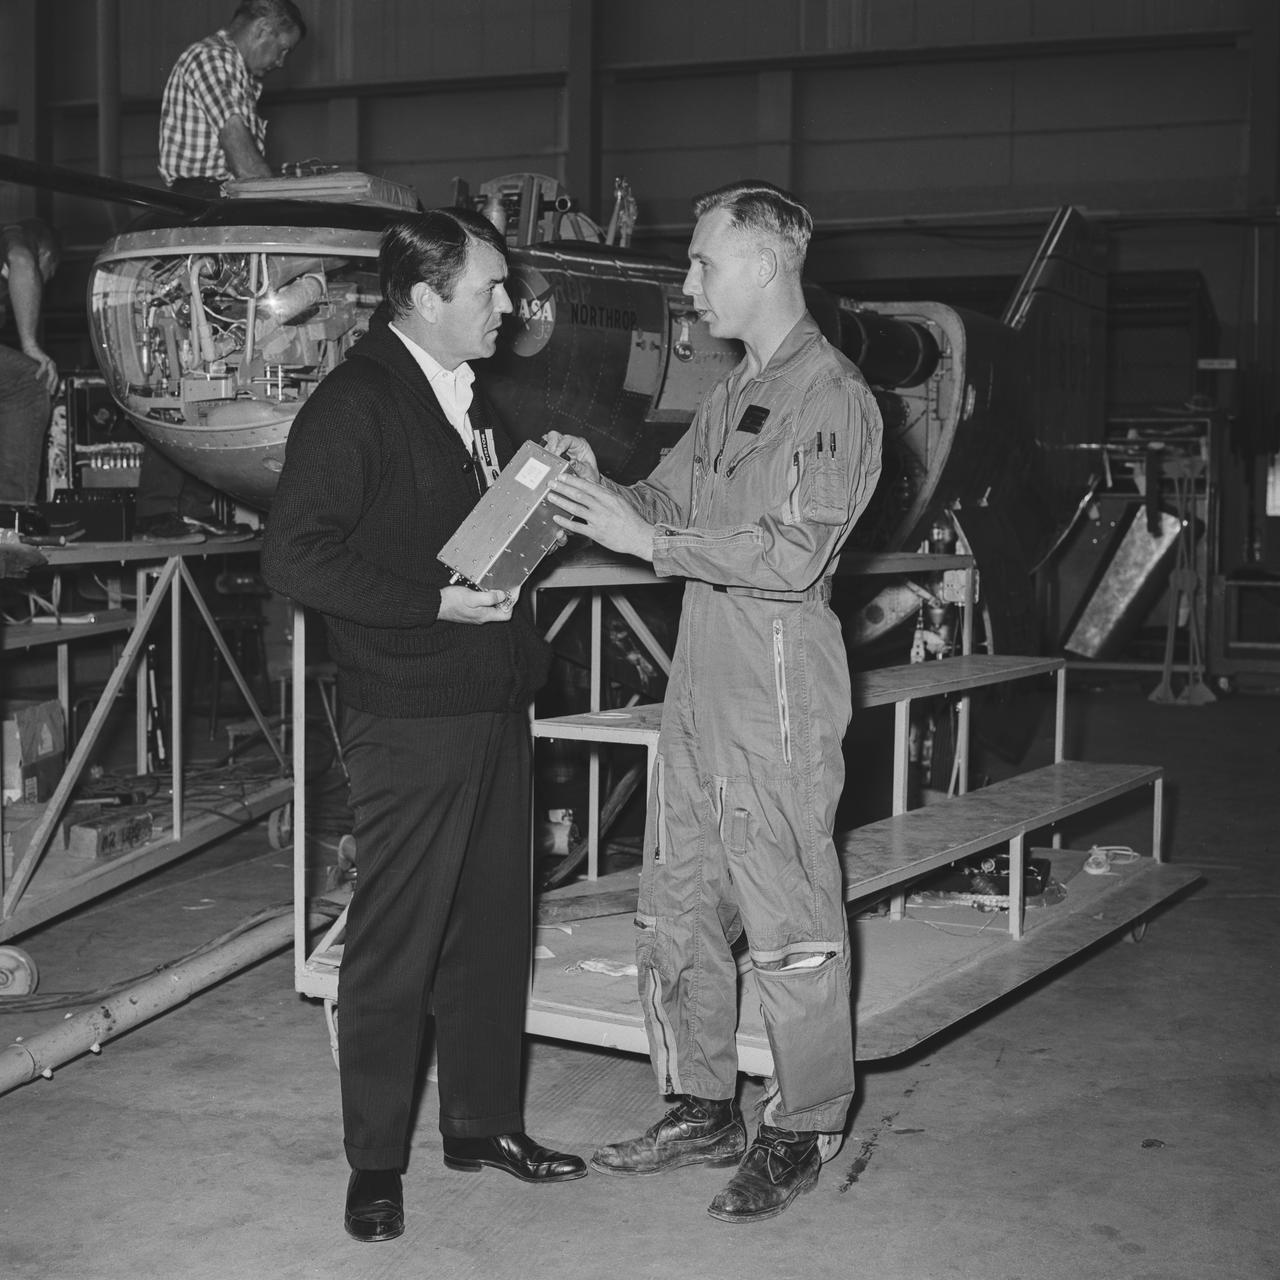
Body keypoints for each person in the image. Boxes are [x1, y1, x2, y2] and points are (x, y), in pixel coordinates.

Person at [544, 179, 884, 1224]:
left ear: (768, 263)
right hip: (700, 675)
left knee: (788, 914)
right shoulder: (736, 391)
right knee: (678, 898)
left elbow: (794, 551)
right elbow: (666, 498)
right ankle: (700, 1104)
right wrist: (599, 486)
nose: (688, 285)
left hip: (774, 680)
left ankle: (805, 1120)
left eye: (702, 262)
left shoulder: (832, 396)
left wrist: (647, 538)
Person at [261, 207, 587, 1245]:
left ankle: (481, 1125)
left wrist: (542, 478)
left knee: (492, 929)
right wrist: (429, 604)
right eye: (489, 289)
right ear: (421, 298)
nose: (509, 305)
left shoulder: (469, 395)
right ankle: (375, 1162)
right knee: (395, 944)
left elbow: (467, 526)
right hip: (409, 710)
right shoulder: (357, 402)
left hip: (490, 698)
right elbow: (295, 555)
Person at [158, 0, 305, 199]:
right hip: (205, 197)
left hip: (214, 194)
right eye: (283, 49)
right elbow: (245, 163)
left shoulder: (235, 71)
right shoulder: (212, 58)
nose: (281, 62)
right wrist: (279, 201)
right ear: (262, 29)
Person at [0, 218, 60, 535]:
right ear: (46, 256)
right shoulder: (15, 236)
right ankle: (11, 510)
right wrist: (30, 344)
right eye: (47, 274)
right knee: (29, 380)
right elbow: (23, 261)